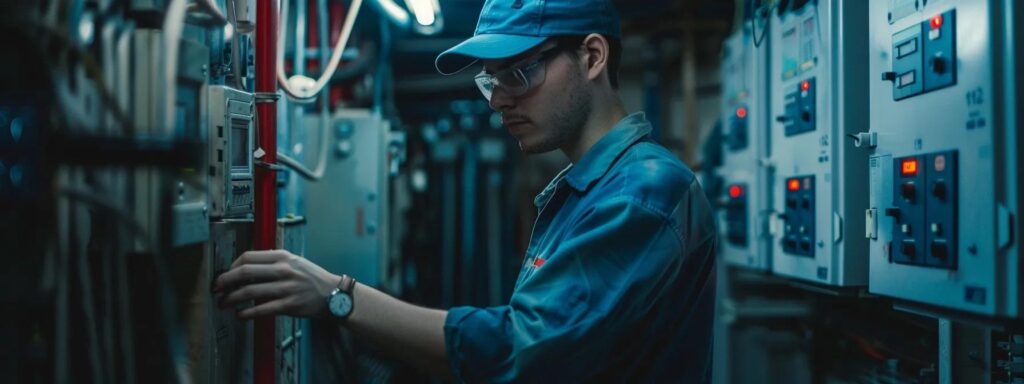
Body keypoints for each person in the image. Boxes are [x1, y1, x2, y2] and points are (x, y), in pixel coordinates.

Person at [213, 0, 718, 381]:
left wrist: (337, 297)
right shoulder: (593, 187)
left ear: (591, 56)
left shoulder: (641, 195)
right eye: (490, 81)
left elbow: (519, 351)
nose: (498, 101)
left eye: (519, 73)